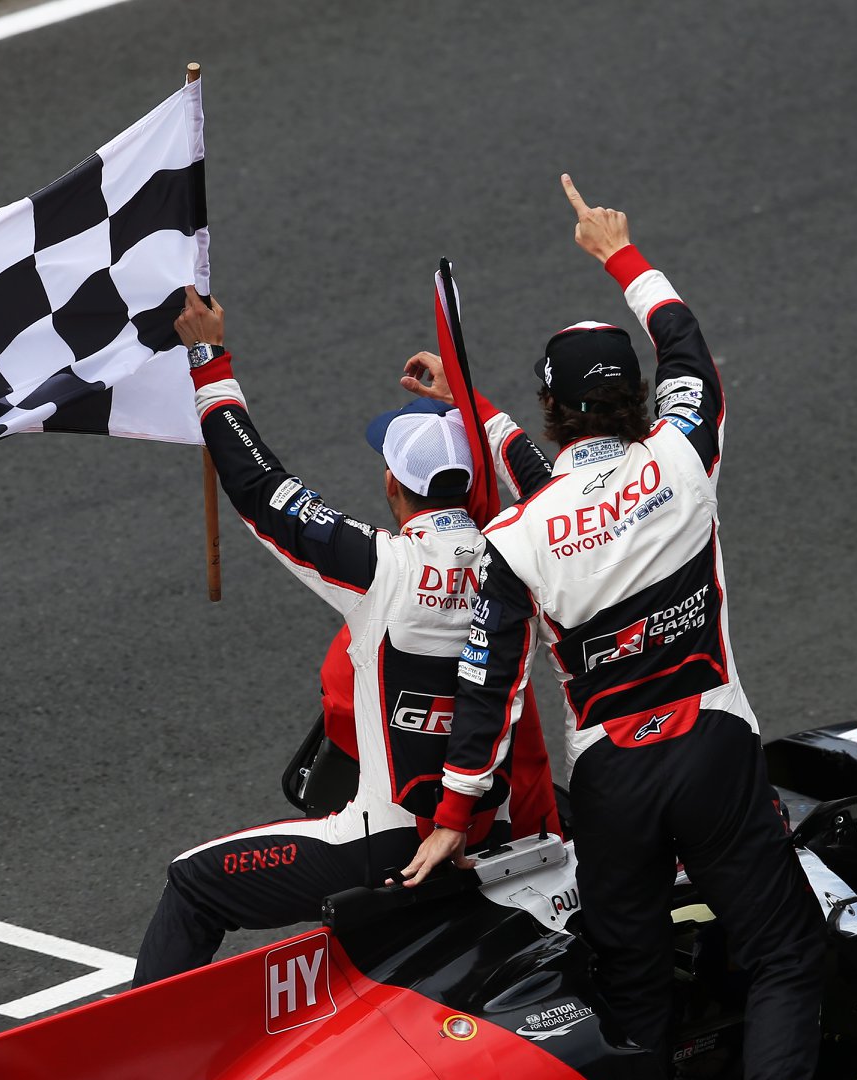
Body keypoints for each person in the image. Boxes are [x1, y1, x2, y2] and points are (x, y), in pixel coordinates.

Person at [400, 177, 857, 1080]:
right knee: (785, 948)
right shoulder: (682, 458)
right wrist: (619, 251)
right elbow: (689, 352)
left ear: (557, 410)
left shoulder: (517, 537)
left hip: (608, 777)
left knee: (631, 979)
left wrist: (451, 814)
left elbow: (490, 680)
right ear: (636, 405)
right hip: (709, 746)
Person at [131, 287, 557, 987]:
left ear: (394, 486)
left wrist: (208, 360)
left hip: (387, 847)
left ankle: (127, 1065)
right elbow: (544, 484)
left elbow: (258, 485)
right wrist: (473, 402)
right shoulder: (523, 550)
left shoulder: (380, 565)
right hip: (491, 835)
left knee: (192, 884)